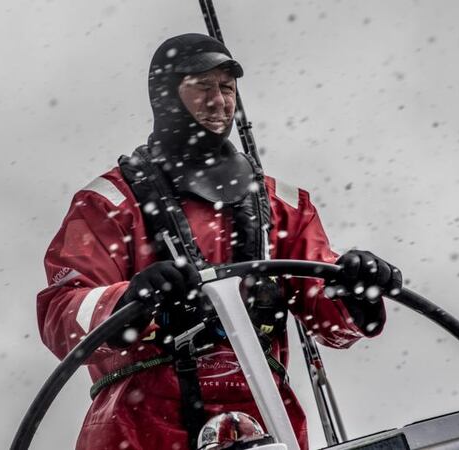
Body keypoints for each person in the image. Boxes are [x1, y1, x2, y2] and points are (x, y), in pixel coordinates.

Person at [36, 33, 402, 450]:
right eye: (202, 87)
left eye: (226, 88)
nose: (218, 101)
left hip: (266, 424)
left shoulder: (284, 206)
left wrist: (355, 290)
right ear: (164, 96)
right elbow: (61, 312)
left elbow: (327, 313)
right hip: (139, 429)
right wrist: (127, 301)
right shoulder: (108, 204)